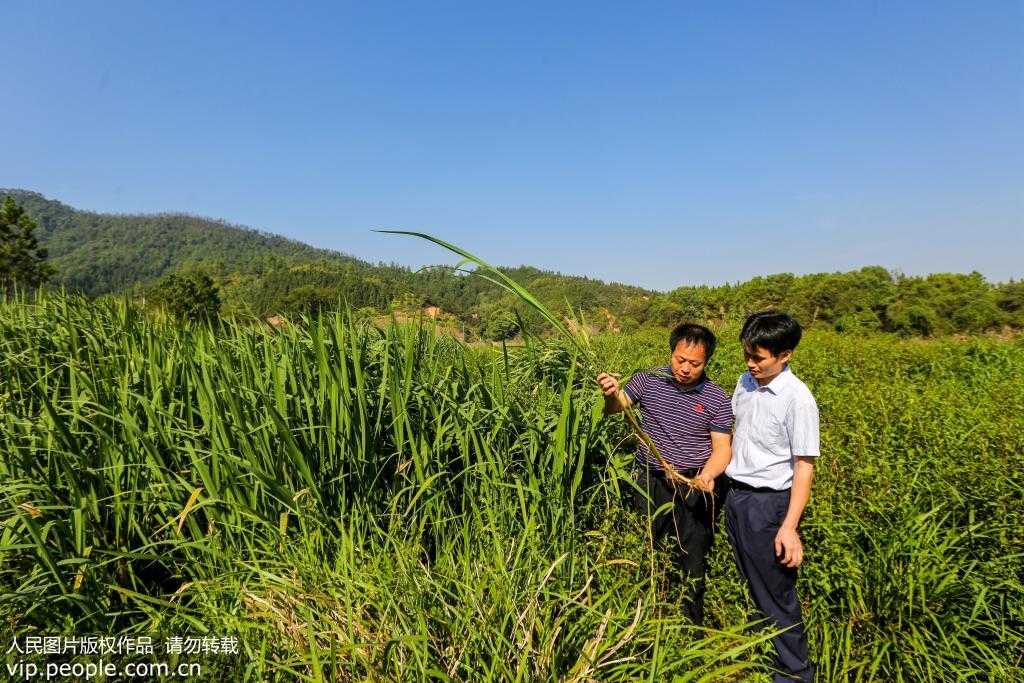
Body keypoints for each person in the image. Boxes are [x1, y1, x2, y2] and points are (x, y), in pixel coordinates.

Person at [597, 322, 733, 626]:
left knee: (693, 554)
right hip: (651, 480)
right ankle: (650, 616)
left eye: (694, 363)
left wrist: (708, 475)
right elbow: (616, 407)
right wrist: (610, 393)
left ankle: (689, 625)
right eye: (679, 360)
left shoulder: (716, 398)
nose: (685, 368)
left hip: (693, 484)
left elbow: (723, 448)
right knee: (652, 546)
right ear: (671, 353)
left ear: (707, 361)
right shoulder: (650, 380)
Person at [724, 311, 819, 682]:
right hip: (737, 498)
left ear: (786, 355)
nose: (751, 364)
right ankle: (767, 659)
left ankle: (794, 674)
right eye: (747, 354)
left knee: (778, 597)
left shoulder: (798, 399)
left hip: (769, 506)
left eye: (759, 358)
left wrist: (789, 527)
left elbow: (804, 466)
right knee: (755, 587)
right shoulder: (745, 382)